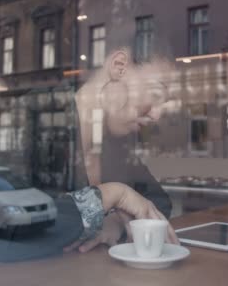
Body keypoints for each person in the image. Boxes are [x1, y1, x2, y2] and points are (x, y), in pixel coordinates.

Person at [65, 50, 177, 253]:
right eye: (155, 94)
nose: (156, 115)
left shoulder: (114, 143)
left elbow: (158, 202)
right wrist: (117, 195)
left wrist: (115, 219)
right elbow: (23, 221)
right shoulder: (47, 121)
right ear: (119, 66)